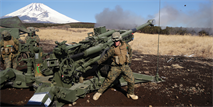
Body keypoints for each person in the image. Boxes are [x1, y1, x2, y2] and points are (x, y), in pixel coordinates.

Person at [93, 32, 138, 100]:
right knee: (109, 80)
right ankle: (98, 93)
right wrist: (98, 62)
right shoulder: (112, 48)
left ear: (120, 39)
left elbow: (130, 51)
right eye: (114, 41)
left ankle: (130, 93)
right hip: (115, 67)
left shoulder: (126, 45)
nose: (116, 42)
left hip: (125, 66)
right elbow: (106, 56)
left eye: (117, 41)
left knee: (131, 80)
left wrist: (129, 60)